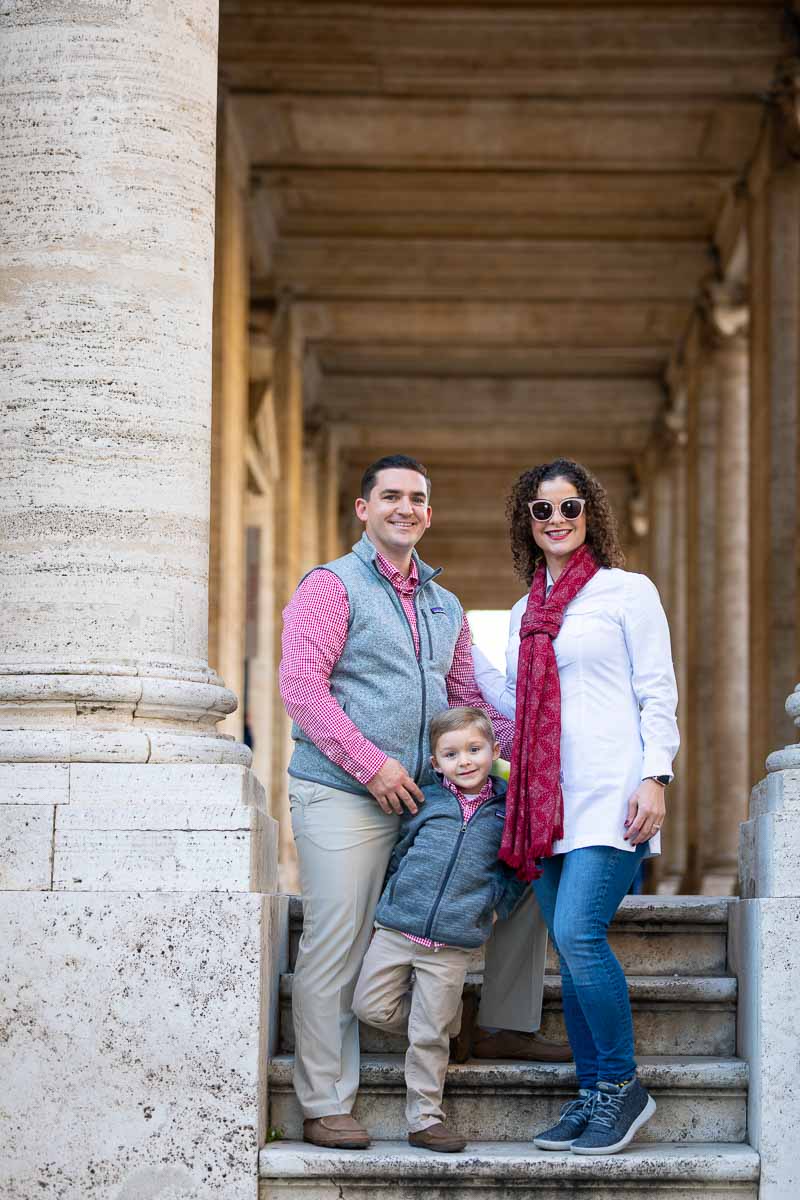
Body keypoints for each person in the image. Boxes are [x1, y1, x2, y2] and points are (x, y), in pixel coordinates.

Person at [279, 454, 561, 1152]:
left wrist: (531, 763)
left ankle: (492, 1023)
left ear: (429, 514)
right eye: (391, 497)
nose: (405, 508)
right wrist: (370, 765)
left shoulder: (445, 605)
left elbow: (469, 701)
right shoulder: (330, 586)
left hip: (429, 800)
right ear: (363, 509)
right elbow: (302, 688)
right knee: (336, 941)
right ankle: (326, 1101)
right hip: (342, 790)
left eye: (417, 499)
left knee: (525, 874)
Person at [472, 458, 679, 1156]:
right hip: (548, 804)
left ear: (590, 514)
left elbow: (656, 689)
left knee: (581, 936)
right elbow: (514, 707)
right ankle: (593, 1097)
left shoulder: (628, 592)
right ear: (525, 523)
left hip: (614, 797)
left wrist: (657, 776)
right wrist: (456, 666)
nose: (556, 520)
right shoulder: (528, 611)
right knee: (566, 942)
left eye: (569, 507)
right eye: (542, 510)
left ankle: (623, 1089)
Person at [353, 707, 526, 1153]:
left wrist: (493, 909)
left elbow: (516, 873)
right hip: (397, 927)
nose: (464, 761)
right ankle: (456, 1021)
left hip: (452, 941)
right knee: (369, 1006)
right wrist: (388, 902)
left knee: (428, 1036)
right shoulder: (425, 802)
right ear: (435, 763)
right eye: (451, 754)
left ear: (495, 750)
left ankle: (425, 1119)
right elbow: (398, 854)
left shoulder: (507, 812)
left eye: (474, 749)